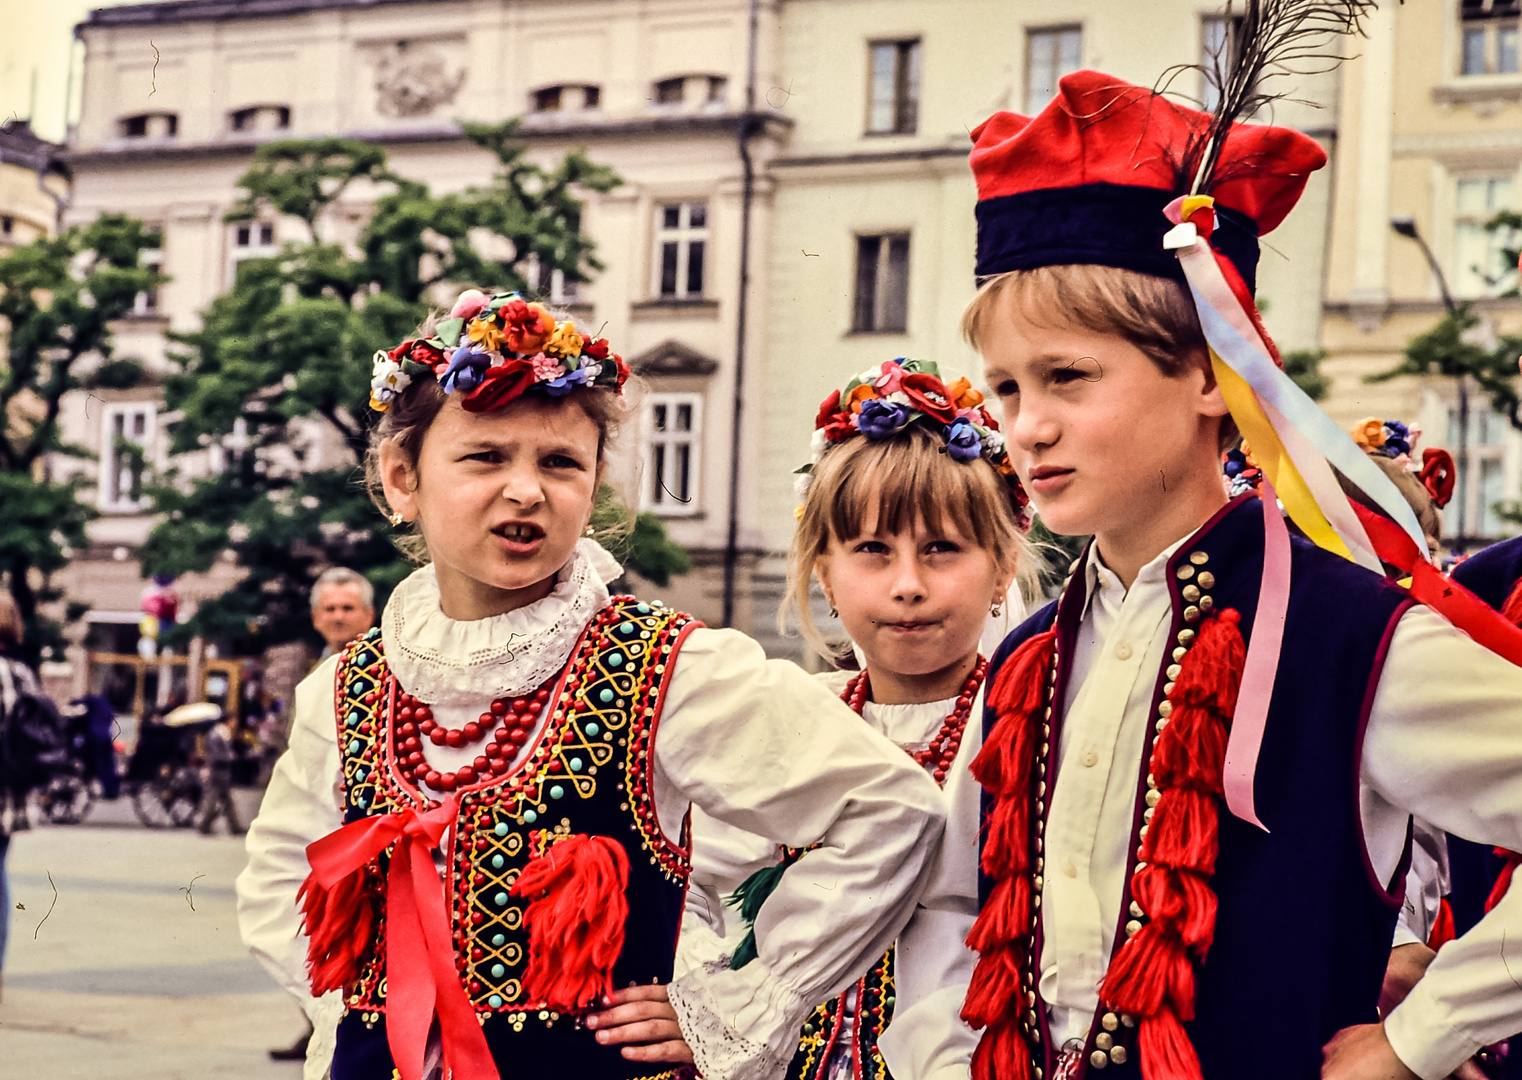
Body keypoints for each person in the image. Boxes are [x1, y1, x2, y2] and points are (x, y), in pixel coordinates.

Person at [956, 66, 1522, 1080]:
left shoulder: (1347, 638)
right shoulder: (1027, 655)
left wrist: (1413, 1040)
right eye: (1004, 387)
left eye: (1067, 378)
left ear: (1214, 379)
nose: (1026, 425)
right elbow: (960, 916)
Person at [236, 289, 945, 1080]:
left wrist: (735, 1005)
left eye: (561, 462)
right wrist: (360, 1010)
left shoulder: (668, 668)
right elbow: (278, 876)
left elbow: (890, 810)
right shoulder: (348, 688)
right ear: (403, 477)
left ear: (596, 480)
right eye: (485, 456)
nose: (526, 490)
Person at [680, 358, 1033, 1080]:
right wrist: (700, 1007)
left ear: (1002, 568)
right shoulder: (790, 722)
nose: (908, 585)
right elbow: (695, 878)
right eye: (873, 550)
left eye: (942, 550)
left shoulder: (1025, 727)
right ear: (823, 572)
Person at [310, 567, 376, 659]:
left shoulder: (387, 668)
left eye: (347, 608)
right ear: (315, 618)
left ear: (370, 615)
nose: (338, 617)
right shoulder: (307, 671)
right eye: (330, 609)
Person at [196, 714, 243, 835]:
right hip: (218, 772)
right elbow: (216, 755)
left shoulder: (222, 734)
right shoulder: (216, 734)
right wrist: (229, 757)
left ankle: (234, 827)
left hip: (222, 772)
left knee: (226, 801)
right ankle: (205, 824)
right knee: (214, 799)